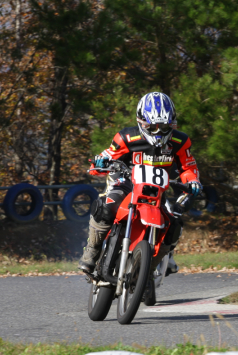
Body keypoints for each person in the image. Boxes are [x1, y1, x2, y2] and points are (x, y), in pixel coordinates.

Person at [78, 91, 202, 277]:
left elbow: (188, 167)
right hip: (125, 184)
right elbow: (105, 158)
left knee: (174, 224)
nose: (158, 132)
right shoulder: (125, 137)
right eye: (153, 127)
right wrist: (100, 162)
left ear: (172, 124)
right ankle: (91, 252)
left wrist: (192, 181)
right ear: (141, 121)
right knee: (106, 206)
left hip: (157, 191)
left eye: (164, 127)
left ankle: (149, 269)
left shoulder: (181, 141)